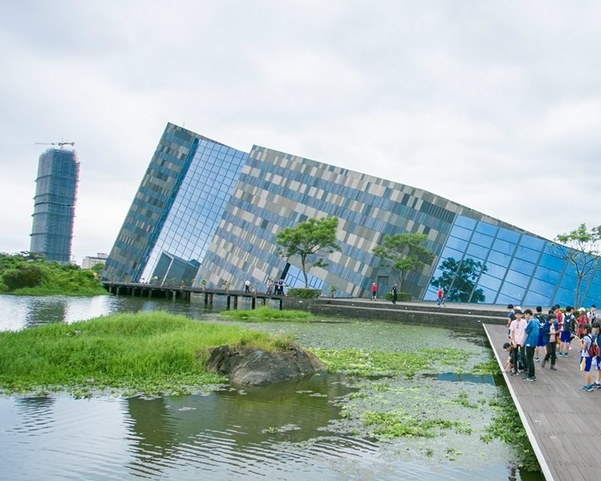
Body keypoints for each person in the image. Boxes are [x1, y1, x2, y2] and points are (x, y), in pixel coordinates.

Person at [523, 309, 540, 381]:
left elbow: (526, 330)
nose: (525, 316)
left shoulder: (531, 321)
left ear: (528, 314)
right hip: (534, 342)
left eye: (525, 315)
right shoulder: (537, 320)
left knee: (529, 359)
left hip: (530, 342)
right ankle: (532, 375)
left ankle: (530, 376)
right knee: (531, 359)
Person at [509, 309, 527, 376]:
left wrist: (523, 341)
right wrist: (513, 341)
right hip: (515, 340)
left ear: (521, 315)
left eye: (519, 315)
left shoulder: (524, 322)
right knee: (514, 356)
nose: (518, 316)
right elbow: (512, 332)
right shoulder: (513, 322)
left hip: (522, 340)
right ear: (515, 315)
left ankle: (526, 368)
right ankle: (515, 370)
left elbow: (525, 332)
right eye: (517, 315)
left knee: (522, 356)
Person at [579, 323, 594, 391]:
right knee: (587, 370)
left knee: (586, 371)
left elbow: (583, 347)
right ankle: (589, 385)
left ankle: (588, 385)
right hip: (589, 355)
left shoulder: (585, 338)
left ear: (586, 329)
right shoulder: (591, 336)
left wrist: (579, 342)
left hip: (586, 356)